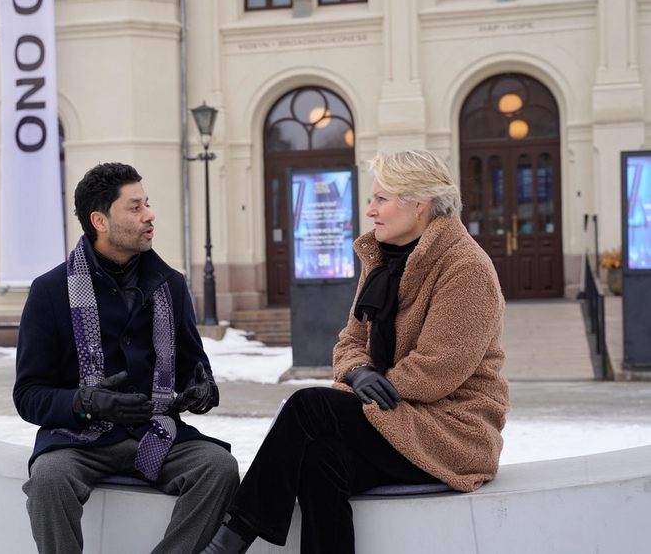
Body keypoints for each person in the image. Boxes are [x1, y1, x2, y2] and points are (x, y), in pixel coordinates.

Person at [199, 150, 510, 554]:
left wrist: (352, 391)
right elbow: (349, 342)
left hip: (450, 431)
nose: (370, 210)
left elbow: (437, 370)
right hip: (396, 418)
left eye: (382, 199)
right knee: (320, 459)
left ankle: (230, 541)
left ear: (419, 204)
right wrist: (358, 372)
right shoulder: (381, 260)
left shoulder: (466, 267)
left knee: (309, 405)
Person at [15, 162, 240, 554]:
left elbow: (192, 367)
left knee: (218, 468)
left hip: (159, 433)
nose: (149, 215)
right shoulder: (50, 290)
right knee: (49, 478)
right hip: (80, 441)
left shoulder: (170, 284)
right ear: (100, 221)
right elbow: (28, 394)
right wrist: (86, 402)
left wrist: (202, 389)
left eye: (147, 204)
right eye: (135, 207)